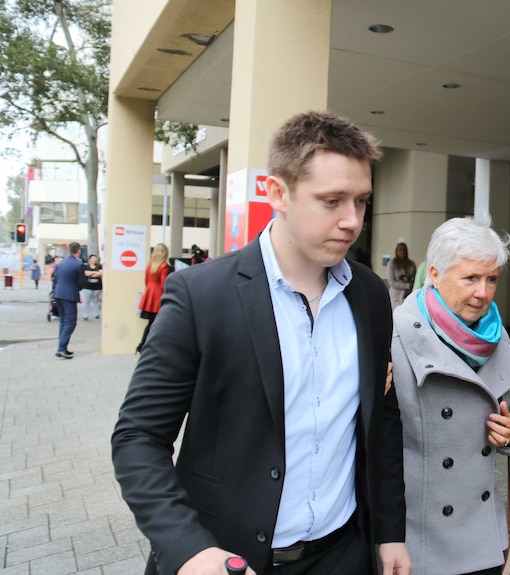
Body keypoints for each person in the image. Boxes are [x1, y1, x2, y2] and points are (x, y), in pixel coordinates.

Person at [112, 111, 411, 575]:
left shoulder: (370, 295)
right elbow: (138, 437)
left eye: (362, 201)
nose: (352, 221)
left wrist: (390, 530)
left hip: (344, 555)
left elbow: (381, 424)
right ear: (277, 193)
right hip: (228, 559)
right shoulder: (201, 294)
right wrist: (188, 546)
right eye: (331, 200)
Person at [391, 215, 510, 575]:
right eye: (471, 278)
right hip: (418, 536)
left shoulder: (494, 336)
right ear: (435, 275)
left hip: (480, 532)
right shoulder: (394, 337)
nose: (483, 293)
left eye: (491, 279)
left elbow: (496, 420)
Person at [135, 243, 170, 354]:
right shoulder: (164, 267)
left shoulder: (149, 265)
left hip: (149, 295)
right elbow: (163, 285)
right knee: (158, 324)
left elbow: (146, 281)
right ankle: (145, 346)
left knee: (151, 323)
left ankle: (142, 345)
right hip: (158, 297)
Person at [52, 243, 85, 359]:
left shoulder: (61, 262)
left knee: (63, 322)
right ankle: (61, 348)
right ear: (78, 250)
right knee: (70, 322)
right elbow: (81, 282)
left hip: (58, 294)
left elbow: (55, 278)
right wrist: (77, 288)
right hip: (69, 296)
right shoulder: (79, 264)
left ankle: (61, 348)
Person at [387, 242, 416, 310]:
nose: (402, 251)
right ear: (396, 251)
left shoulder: (411, 264)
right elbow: (392, 282)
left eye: (404, 249)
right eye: (400, 249)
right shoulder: (392, 263)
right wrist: (407, 285)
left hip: (408, 295)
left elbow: (414, 278)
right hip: (396, 296)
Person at [82, 254, 103, 320]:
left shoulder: (99, 266)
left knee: (96, 301)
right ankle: (85, 315)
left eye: (95, 258)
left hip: (97, 287)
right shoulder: (85, 266)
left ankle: (96, 315)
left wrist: (91, 273)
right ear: (89, 259)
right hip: (87, 287)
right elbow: (85, 273)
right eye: (93, 258)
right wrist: (95, 273)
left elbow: (100, 273)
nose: (94, 260)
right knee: (87, 301)